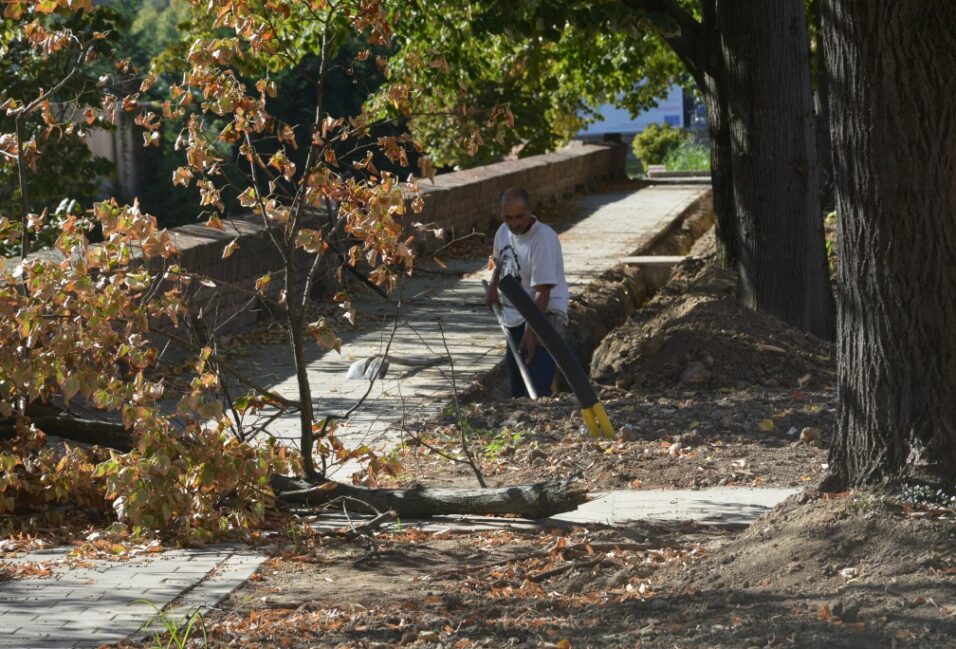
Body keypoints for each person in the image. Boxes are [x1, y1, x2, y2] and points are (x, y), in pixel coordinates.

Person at [485, 188, 569, 398]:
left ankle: (541, 423)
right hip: (514, 317)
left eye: (519, 217)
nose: (514, 223)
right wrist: (494, 289)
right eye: (508, 218)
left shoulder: (543, 239)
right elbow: (500, 262)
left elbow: (543, 292)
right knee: (518, 387)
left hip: (544, 317)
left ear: (530, 211)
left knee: (537, 386)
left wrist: (532, 332)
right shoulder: (503, 232)